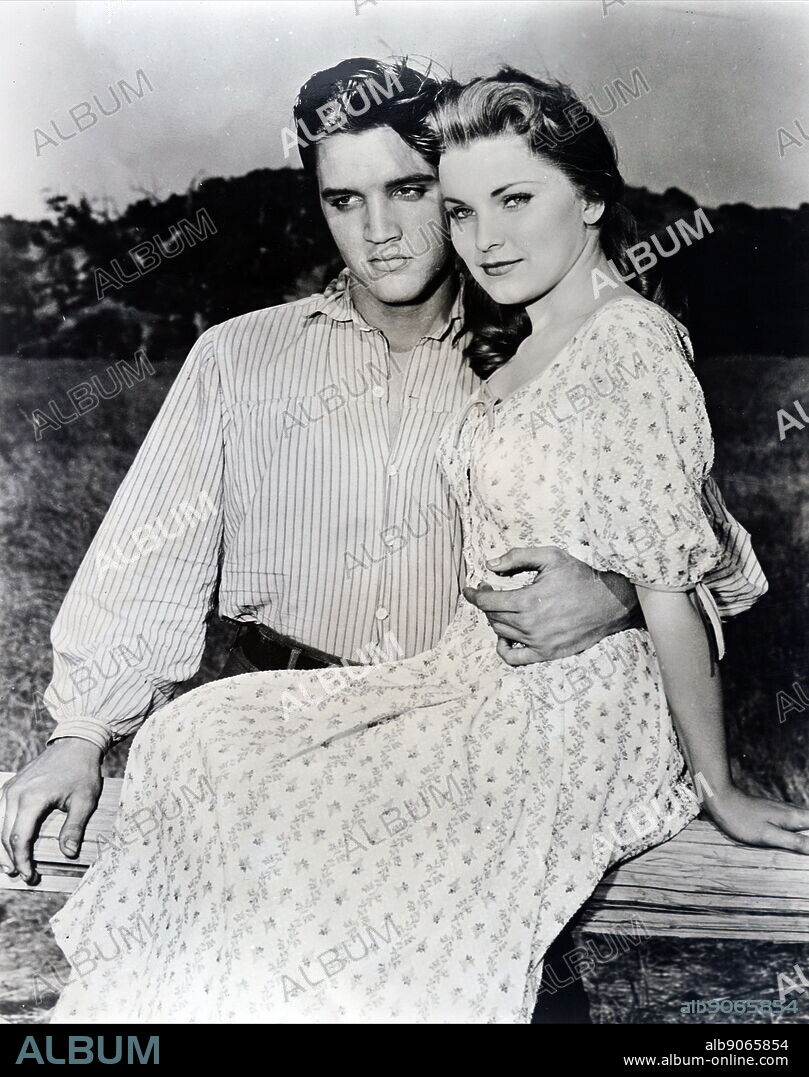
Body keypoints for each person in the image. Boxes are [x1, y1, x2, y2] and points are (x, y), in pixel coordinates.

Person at [42, 66, 808, 1025]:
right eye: (343, 199)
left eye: (409, 192)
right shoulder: (241, 356)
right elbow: (145, 557)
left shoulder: (536, 348)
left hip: (502, 729)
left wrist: (612, 589)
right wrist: (80, 734)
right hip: (319, 708)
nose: (381, 229)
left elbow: (701, 560)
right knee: (214, 804)